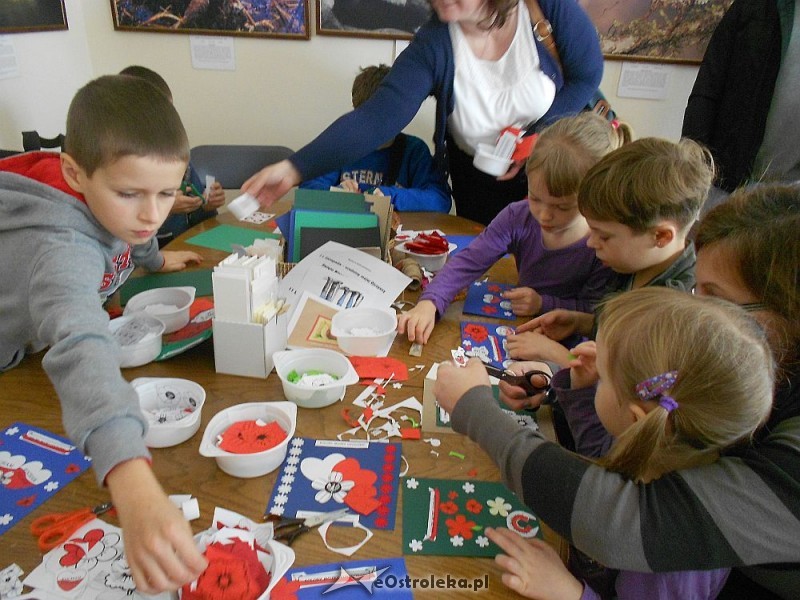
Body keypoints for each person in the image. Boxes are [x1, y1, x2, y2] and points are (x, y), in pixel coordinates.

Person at [435, 183, 800, 598]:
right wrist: (571, 389)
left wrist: (475, 411)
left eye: (716, 299)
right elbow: (613, 451)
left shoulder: (676, 564)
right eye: (699, 292)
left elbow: (627, 521)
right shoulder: (684, 419)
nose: (702, 315)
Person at [0, 75, 207, 593]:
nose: (151, 213)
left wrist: (157, 258)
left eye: (165, 193)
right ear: (74, 172)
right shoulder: (60, 245)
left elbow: (131, 233)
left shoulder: (119, 208)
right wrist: (132, 483)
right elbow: (80, 344)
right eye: (129, 193)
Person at [443, 287, 774, 599]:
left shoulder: (674, 563)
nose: (590, 357)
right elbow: (600, 457)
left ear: (634, 418)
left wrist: (569, 592)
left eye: (603, 374)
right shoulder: (662, 445)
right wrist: (583, 388)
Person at [243, 0, 604, 225]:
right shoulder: (434, 43)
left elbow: (586, 75)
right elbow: (376, 117)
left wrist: (534, 138)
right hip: (477, 179)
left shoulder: (546, 8)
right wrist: (295, 167)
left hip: (548, 171)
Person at [397, 112, 624, 344]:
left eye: (562, 207)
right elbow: (469, 261)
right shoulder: (518, 215)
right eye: (535, 198)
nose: (544, 214)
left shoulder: (603, 245)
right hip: (520, 325)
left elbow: (593, 315)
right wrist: (430, 302)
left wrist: (543, 303)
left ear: (593, 200)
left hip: (571, 345)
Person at [505, 137, 714, 369]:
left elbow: (617, 384)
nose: (591, 244)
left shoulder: (669, 316)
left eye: (603, 236)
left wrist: (558, 355)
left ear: (661, 236)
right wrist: (581, 323)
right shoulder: (634, 264)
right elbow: (613, 332)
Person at [682, 0, 799, 204]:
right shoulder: (755, 7)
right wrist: (693, 164)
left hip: (791, 197)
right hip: (724, 185)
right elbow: (707, 89)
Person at [299, 64, 452, 213]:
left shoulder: (415, 151)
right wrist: (336, 193)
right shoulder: (341, 146)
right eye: (371, 119)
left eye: (387, 118)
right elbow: (307, 191)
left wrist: (390, 196)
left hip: (399, 233)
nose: (380, 128)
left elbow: (440, 200)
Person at [119, 65, 227, 247]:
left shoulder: (175, 155)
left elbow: (198, 219)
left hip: (184, 248)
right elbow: (124, 239)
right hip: (150, 257)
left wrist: (206, 205)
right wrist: (166, 208)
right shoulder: (119, 169)